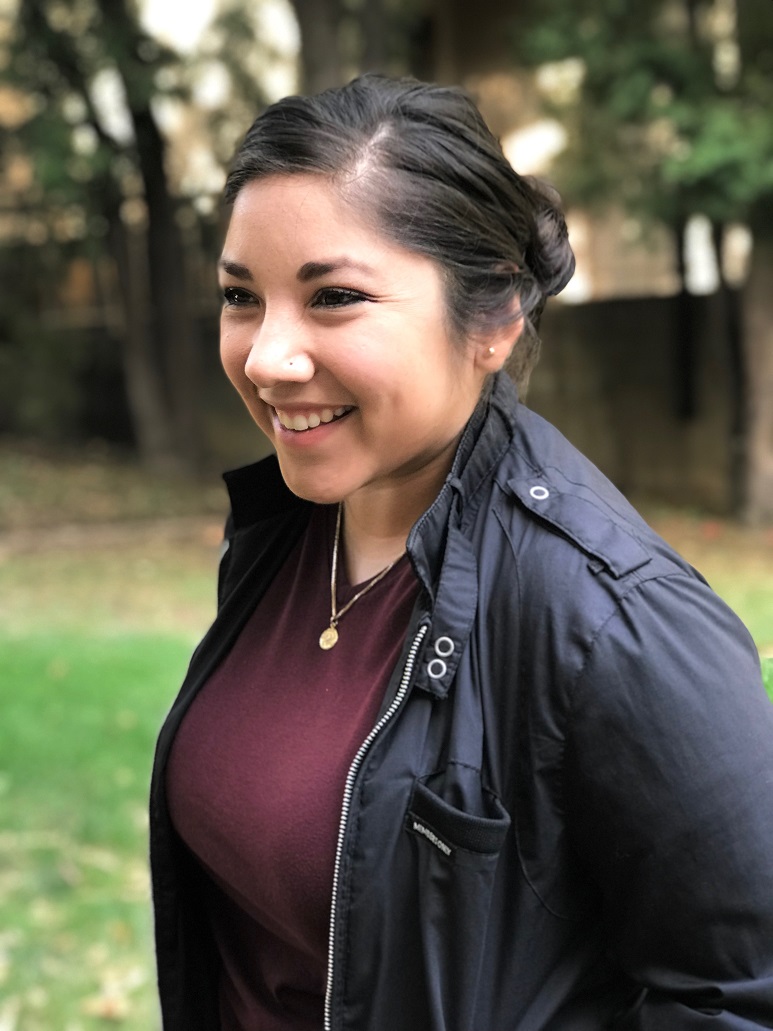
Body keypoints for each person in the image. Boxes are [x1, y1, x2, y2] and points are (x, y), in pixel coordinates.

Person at [149, 73, 773, 1031]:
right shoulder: (287, 533)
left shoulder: (612, 619)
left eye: (335, 297)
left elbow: (741, 997)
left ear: (493, 320)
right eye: (242, 295)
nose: (268, 357)